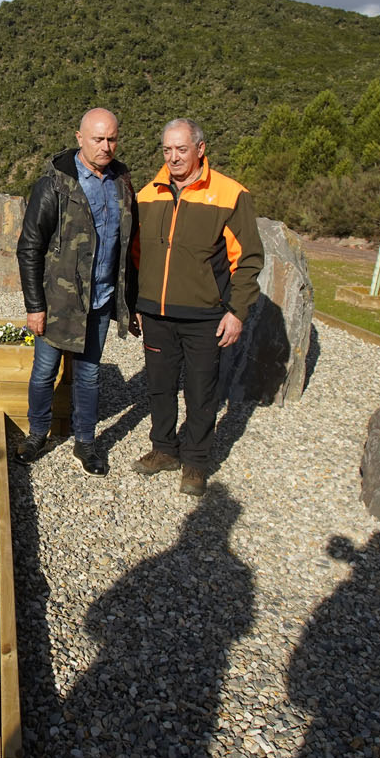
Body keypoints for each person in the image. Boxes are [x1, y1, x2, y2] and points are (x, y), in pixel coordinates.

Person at [130, 118, 263, 495]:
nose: (173, 157)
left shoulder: (230, 195)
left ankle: (196, 463)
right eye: (167, 150)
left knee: (202, 391)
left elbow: (248, 258)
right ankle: (163, 449)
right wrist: (139, 302)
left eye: (181, 149)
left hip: (206, 315)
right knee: (159, 385)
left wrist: (237, 312)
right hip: (156, 313)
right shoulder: (146, 195)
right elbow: (136, 256)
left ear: (200, 149)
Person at [14, 107, 139, 475]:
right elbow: (30, 247)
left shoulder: (122, 181)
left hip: (99, 301)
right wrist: (34, 306)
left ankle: (86, 442)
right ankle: (37, 433)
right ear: (79, 138)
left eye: (112, 138)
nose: (106, 146)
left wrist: (129, 303)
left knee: (88, 374)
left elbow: (129, 245)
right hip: (57, 302)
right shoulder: (54, 183)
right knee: (43, 373)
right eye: (98, 139)